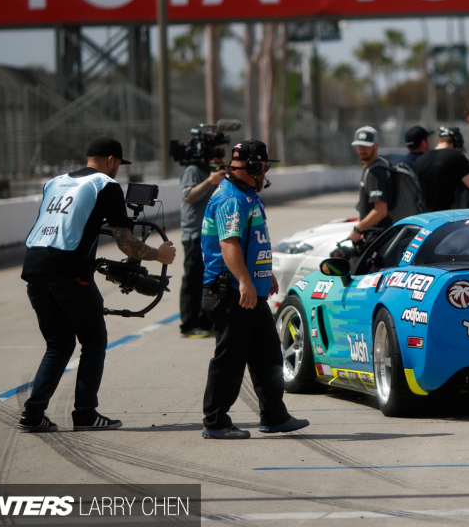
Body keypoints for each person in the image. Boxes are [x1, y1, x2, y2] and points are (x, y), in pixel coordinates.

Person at [19, 137, 176, 433]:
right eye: (118, 165)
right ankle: (86, 414)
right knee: (93, 341)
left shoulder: (55, 182)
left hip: (34, 267)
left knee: (59, 343)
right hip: (68, 271)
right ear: (111, 160)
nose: (117, 170)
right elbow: (127, 244)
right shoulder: (106, 185)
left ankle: (33, 413)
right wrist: (160, 255)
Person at [200, 139, 309, 439]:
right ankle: (215, 420)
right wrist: (246, 281)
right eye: (262, 167)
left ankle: (274, 415)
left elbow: (252, 242)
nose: (265, 174)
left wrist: (264, 274)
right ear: (252, 167)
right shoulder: (231, 197)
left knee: (268, 354)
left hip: (248, 289)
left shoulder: (246, 194)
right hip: (230, 291)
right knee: (230, 358)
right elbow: (229, 244)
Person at [178, 152, 222, 338]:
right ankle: (189, 324)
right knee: (193, 280)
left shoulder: (210, 171)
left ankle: (204, 321)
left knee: (208, 279)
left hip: (209, 235)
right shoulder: (192, 170)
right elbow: (189, 195)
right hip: (194, 235)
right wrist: (211, 181)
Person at [415, 126, 469, 212]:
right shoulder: (457, 156)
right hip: (449, 217)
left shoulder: (420, 160)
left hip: (427, 217)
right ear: (456, 143)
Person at [350, 126, 392, 250]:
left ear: (376, 145)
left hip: (377, 239)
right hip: (375, 236)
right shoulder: (372, 167)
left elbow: (380, 211)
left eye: (366, 146)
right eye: (359, 146)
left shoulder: (376, 173)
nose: (362, 150)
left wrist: (358, 229)